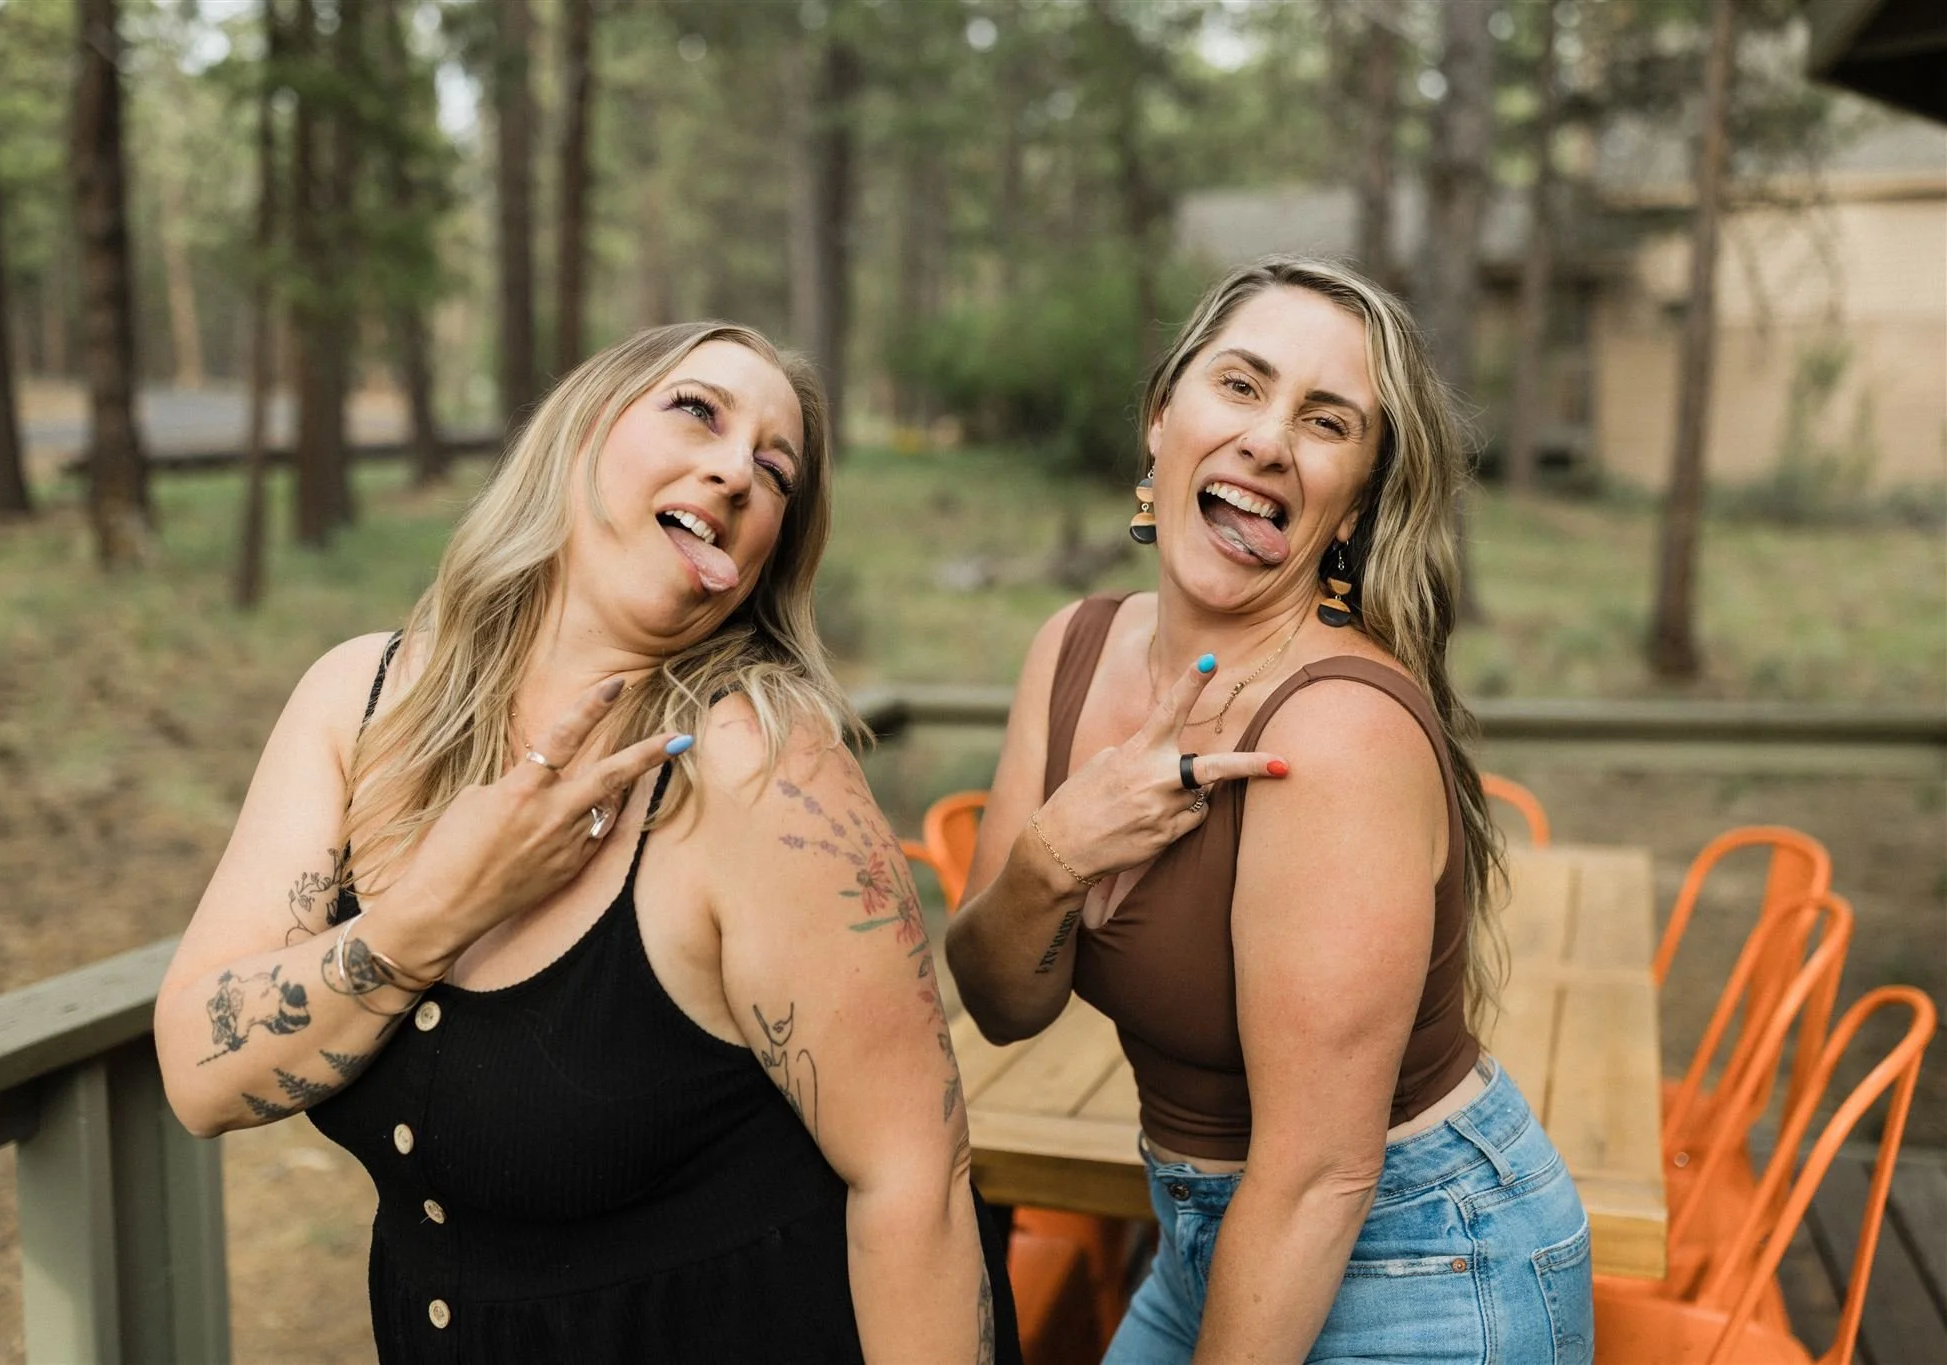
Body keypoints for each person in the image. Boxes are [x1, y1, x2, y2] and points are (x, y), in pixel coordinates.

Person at [155, 322, 1014, 1364]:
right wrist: (435, 911)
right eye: (696, 410)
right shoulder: (358, 704)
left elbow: (914, 1186)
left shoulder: (762, 773)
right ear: (578, 433)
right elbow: (198, 1075)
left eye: (775, 471)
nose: (736, 471)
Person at [945, 258, 1593, 1365]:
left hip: (1422, 1259)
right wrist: (1056, 854)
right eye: (1240, 385)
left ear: (1355, 507)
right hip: (1206, 1239)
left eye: (1325, 421)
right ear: (1161, 418)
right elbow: (1003, 1004)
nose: (1267, 441)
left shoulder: (1334, 732)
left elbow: (1318, 1172)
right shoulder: (1070, 648)